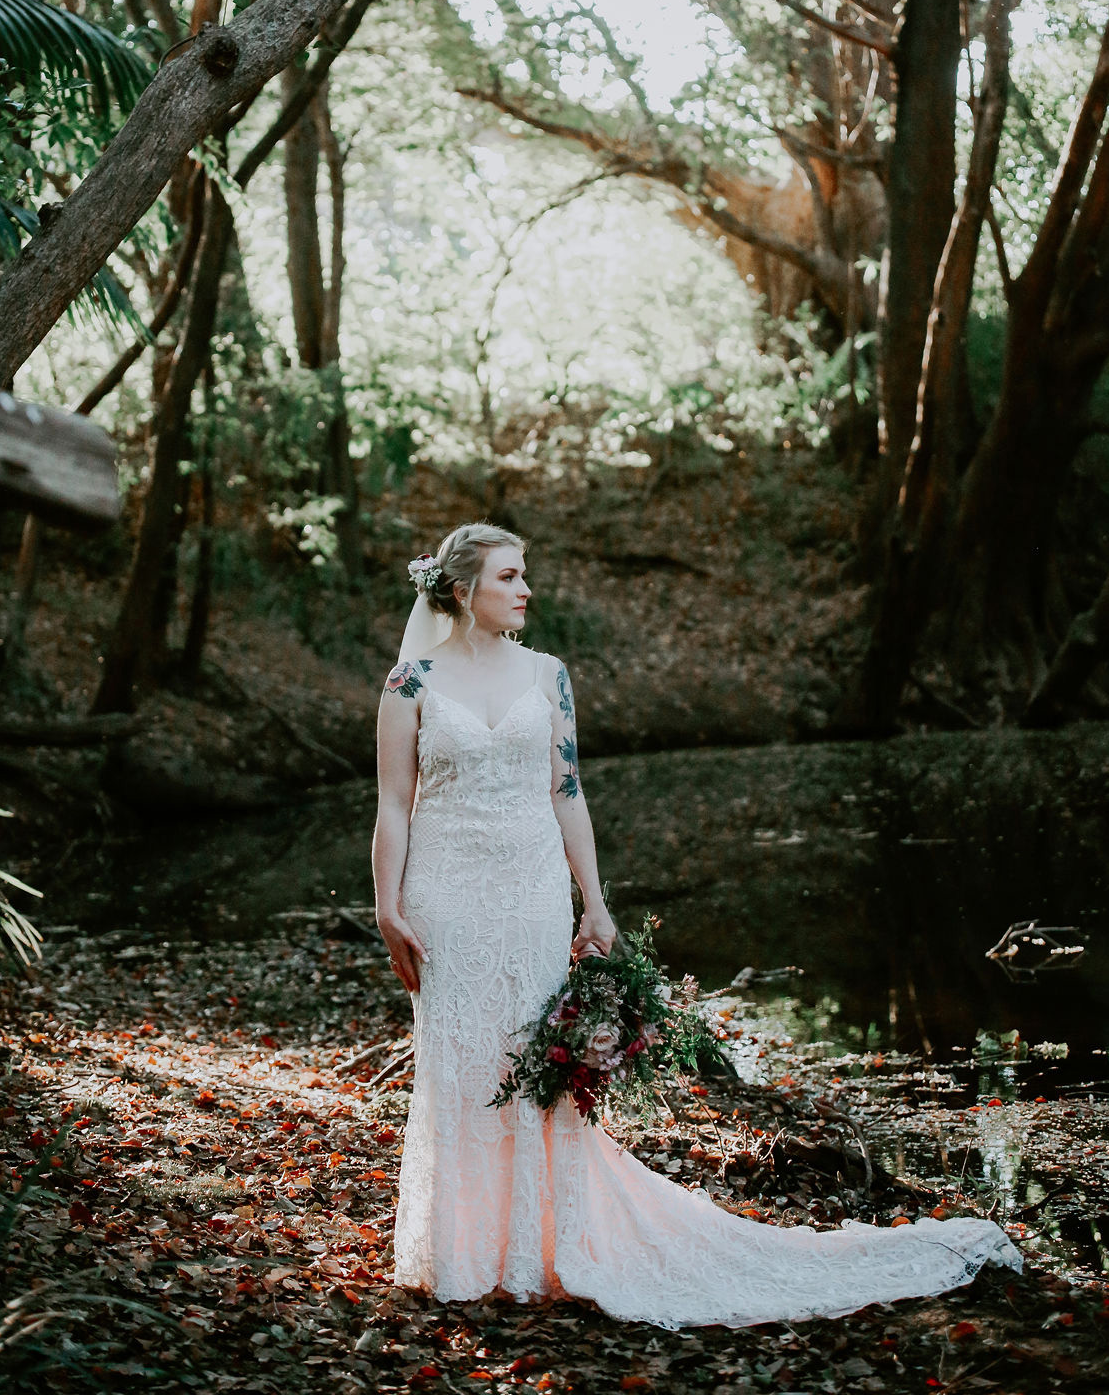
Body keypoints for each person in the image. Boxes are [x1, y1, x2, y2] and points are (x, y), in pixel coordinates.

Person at [373, 521, 1023, 1329]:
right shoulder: (411, 683)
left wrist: (596, 904)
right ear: (465, 589)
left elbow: (566, 793)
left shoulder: (549, 676)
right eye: (511, 576)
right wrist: (387, 903)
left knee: (537, 1065)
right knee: (463, 1059)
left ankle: (541, 1243)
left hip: (533, 893)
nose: (527, 589)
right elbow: (394, 808)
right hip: (449, 898)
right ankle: (465, 1247)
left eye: (526, 574)